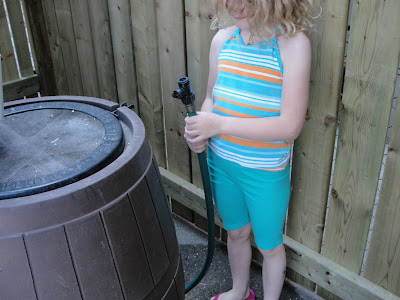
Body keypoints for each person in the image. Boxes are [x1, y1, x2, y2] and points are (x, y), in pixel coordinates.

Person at [184, 0, 313, 299]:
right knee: (236, 233)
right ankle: (240, 291)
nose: (237, 8)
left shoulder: (292, 45)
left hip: (264, 174)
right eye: (231, 1)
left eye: (250, 2)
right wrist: (200, 130)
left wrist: (218, 126)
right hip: (222, 165)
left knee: (269, 246)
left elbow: (290, 126)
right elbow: (210, 99)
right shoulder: (222, 40)